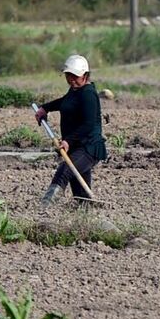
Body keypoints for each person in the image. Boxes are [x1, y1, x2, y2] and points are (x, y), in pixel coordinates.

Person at [36, 53, 107, 205]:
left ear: (85, 76)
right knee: (81, 194)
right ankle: (86, 220)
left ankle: (43, 207)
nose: (71, 80)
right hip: (76, 147)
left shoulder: (88, 94)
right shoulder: (75, 91)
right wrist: (45, 108)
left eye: (75, 77)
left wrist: (68, 140)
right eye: (69, 76)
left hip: (89, 147)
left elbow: (88, 125)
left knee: (65, 171)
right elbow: (64, 102)